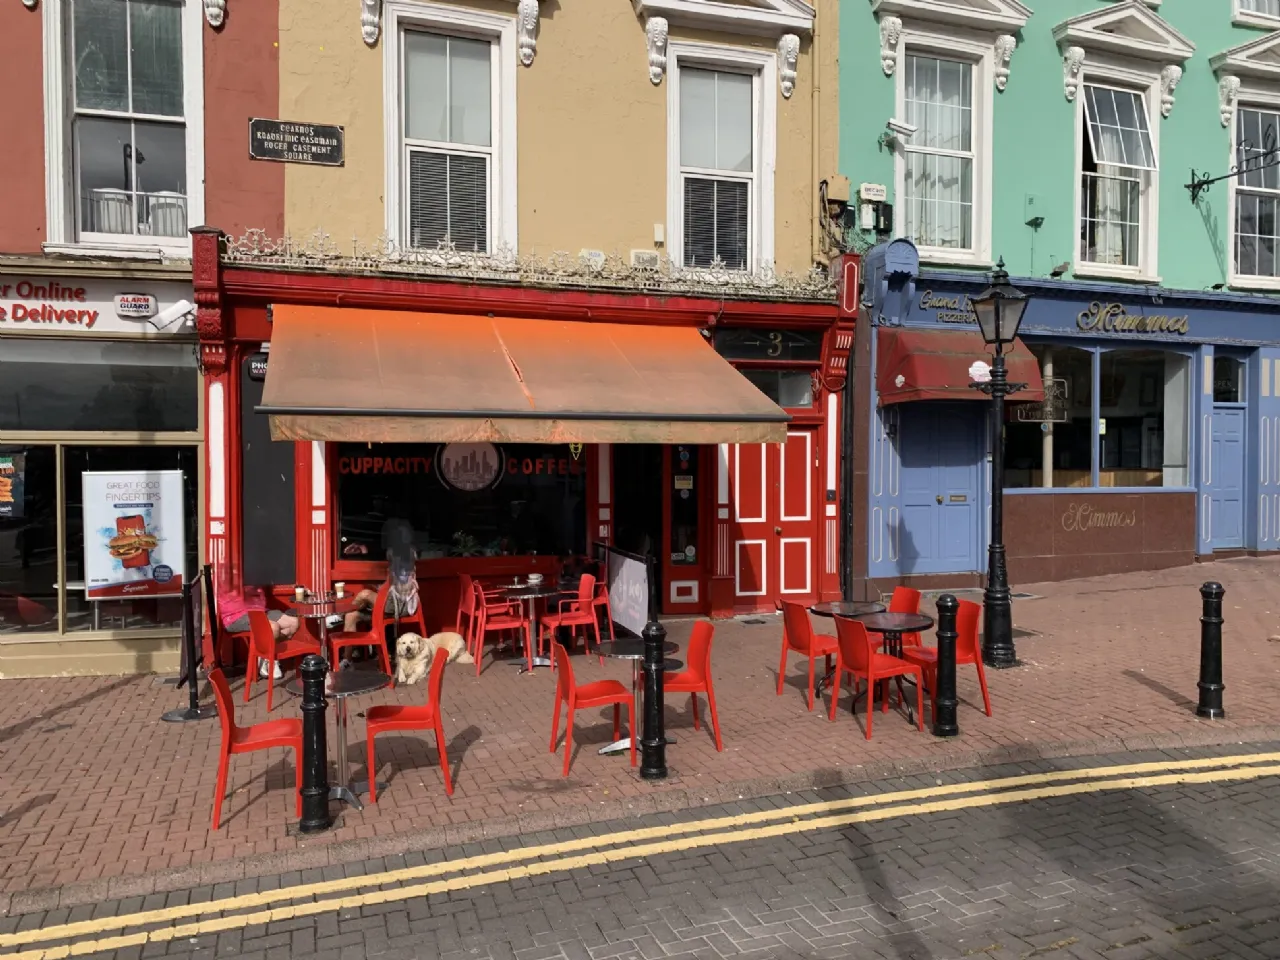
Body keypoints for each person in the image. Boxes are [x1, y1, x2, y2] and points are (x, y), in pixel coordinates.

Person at [218, 585, 301, 679]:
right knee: (273, 628)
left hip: (259, 610)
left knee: (294, 623)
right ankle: (269, 660)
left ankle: (264, 655)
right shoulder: (230, 574)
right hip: (235, 615)